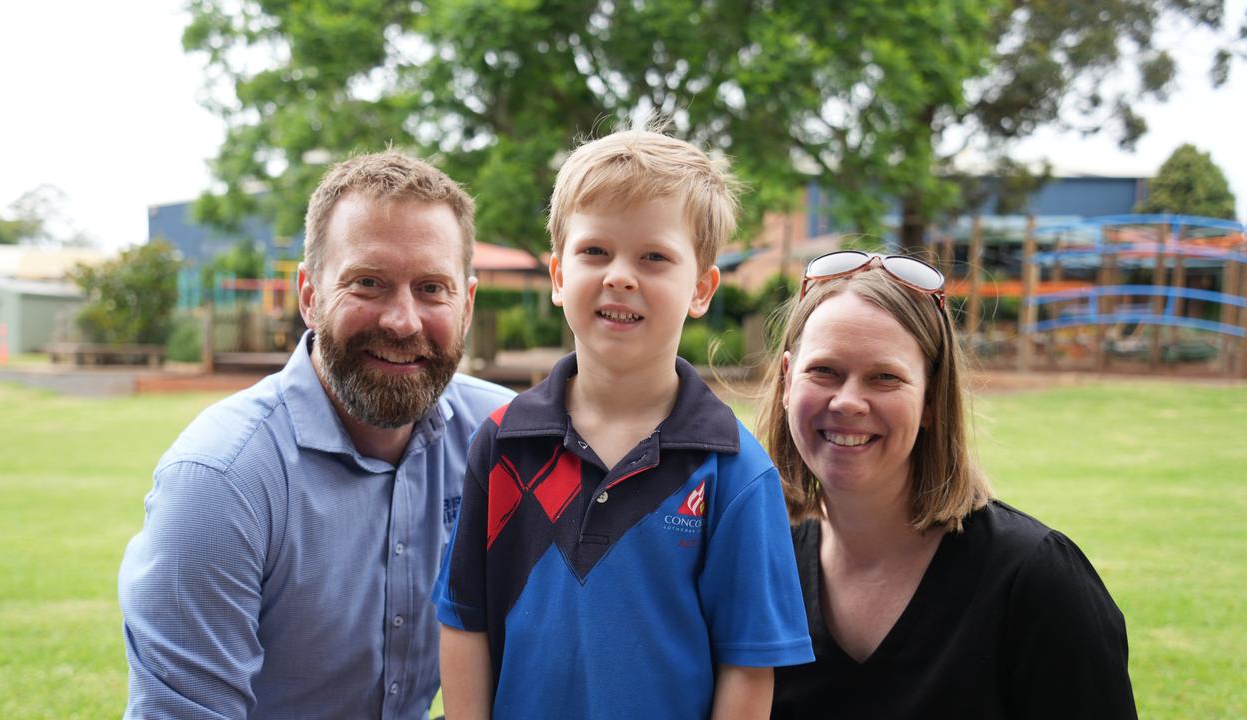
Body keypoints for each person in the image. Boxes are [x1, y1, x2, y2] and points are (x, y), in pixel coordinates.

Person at [118, 149, 515, 719]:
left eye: (432, 288)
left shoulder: (503, 442)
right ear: (308, 295)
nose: (402, 321)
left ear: (467, 304)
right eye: (368, 282)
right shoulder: (221, 481)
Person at [432, 128, 814, 720]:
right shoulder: (503, 444)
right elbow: (464, 622)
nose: (620, 276)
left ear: (702, 288)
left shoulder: (736, 472)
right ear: (558, 276)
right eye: (595, 252)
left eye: (654, 257)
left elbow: (747, 667)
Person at [759, 250, 1138, 718]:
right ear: (785, 381)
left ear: (933, 400)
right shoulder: (760, 569)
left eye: (884, 377)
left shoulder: (1036, 582)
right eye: (824, 371)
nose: (848, 402)